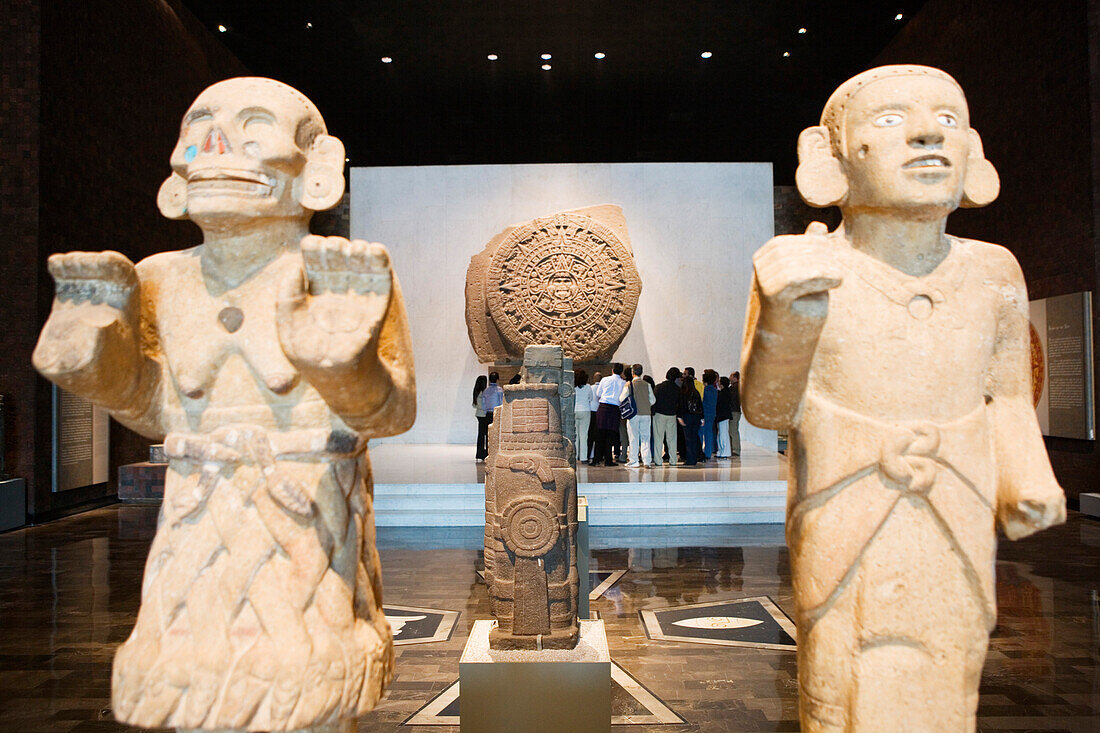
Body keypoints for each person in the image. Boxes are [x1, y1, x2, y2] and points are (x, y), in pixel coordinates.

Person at [32, 78, 416, 730]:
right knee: (190, 682)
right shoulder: (160, 279)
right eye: (200, 126)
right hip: (197, 532)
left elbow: (392, 410)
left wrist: (345, 367)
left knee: (310, 686)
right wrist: (100, 366)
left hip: (311, 525)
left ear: (316, 169)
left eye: (252, 127)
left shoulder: (338, 275)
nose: (211, 147)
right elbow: (158, 410)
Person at [740, 66, 1066, 731]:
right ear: (832, 159)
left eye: (948, 120)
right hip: (846, 512)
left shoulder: (993, 271)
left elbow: (1005, 392)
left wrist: (1027, 474)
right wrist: (788, 318)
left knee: (952, 672)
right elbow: (771, 410)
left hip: (958, 506)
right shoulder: (804, 267)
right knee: (842, 682)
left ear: (973, 154)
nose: (926, 134)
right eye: (890, 120)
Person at [622, 363, 656, 467]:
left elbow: (621, 398)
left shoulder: (629, 384)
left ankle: (634, 460)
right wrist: (645, 404)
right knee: (646, 437)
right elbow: (653, 400)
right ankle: (647, 461)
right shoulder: (647, 384)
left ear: (633, 373)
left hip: (634, 414)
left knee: (633, 437)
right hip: (646, 413)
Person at [593, 363, 627, 466]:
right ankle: (608, 460)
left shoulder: (605, 380)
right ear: (621, 372)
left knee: (600, 434)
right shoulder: (623, 382)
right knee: (610, 435)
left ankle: (596, 459)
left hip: (603, 407)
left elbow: (598, 394)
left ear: (612, 370)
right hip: (615, 409)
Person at [652, 367, 681, 465]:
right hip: (672, 415)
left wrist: (653, 413)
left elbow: (654, 401)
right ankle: (673, 460)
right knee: (672, 439)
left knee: (658, 438)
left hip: (659, 414)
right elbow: (679, 403)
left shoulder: (659, 387)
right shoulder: (677, 389)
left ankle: (658, 460)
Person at [676, 374, 704, 466]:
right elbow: (700, 405)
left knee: (688, 439)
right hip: (696, 417)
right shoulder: (696, 392)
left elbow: (681, 406)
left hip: (687, 417)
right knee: (695, 437)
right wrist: (702, 418)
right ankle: (695, 458)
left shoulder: (683, 392)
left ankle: (690, 459)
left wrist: (679, 417)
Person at [573, 369, 595, 465]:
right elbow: (591, 398)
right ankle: (583, 457)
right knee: (584, 435)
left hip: (574, 410)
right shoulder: (588, 387)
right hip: (585, 410)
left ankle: (575, 455)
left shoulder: (573, 387)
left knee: (575, 435)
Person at [700, 369, 718, 460]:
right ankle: (708, 452)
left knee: (701, 433)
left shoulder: (705, 390)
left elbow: (703, 402)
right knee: (709, 433)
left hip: (704, 414)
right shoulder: (715, 390)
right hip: (712, 414)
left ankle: (700, 452)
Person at [715, 375, 733, 458]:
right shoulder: (725, 392)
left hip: (723, 416)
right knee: (721, 434)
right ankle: (722, 451)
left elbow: (721, 405)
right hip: (722, 416)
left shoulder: (724, 393)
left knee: (723, 434)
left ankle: (725, 451)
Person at [473, 375, 490, 461]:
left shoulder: (476, 392)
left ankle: (480, 453)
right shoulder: (483, 393)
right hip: (484, 414)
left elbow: (474, 405)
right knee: (486, 434)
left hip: (479, 414)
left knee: (481, 434)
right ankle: (486, 453)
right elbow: (483, 405)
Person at [728, 371, 741, 457]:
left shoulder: (734, 388)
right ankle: (734, 448)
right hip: (736, 410)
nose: (730, 378)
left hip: (733, 411)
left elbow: (731, 400)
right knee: (733, 430)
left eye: (731, 376)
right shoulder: (738, 387)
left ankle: (735, 450)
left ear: (735, 377)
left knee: (733, 431)